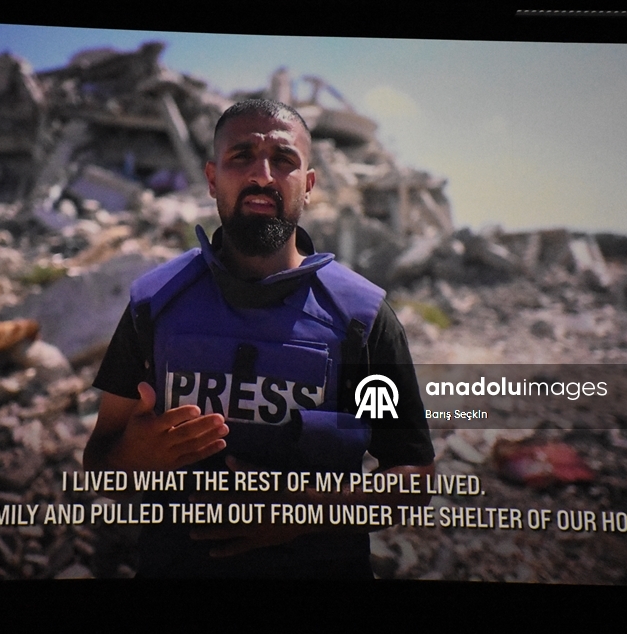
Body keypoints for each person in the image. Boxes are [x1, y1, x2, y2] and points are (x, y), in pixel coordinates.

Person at [84, 99, 435, 578]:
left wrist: (305, 510)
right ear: (212, 179)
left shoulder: (361, 317)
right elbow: (102, 465)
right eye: (240, 156)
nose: (262, 176)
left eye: (284, 161)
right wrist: (137, 456)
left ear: (308, 185)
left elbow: (413, 479)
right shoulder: (155, 304)